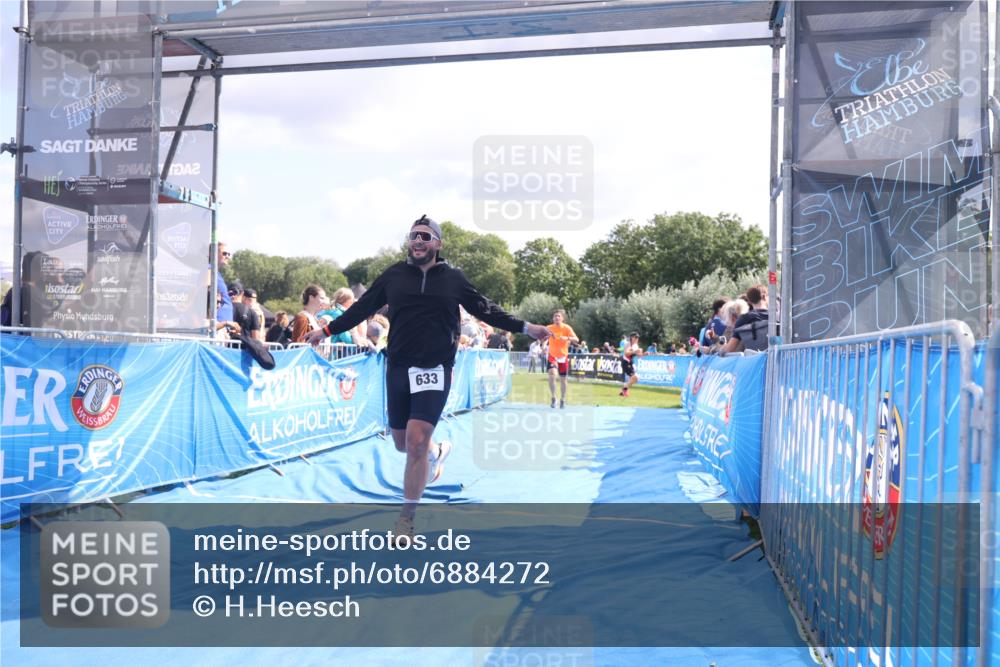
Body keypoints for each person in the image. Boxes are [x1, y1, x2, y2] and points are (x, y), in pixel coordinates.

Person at [303, 215, 551, 542]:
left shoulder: (453, 279)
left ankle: (406, 519)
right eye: (413, 236)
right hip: (398, 367)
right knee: (402, 442)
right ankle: (437, 451)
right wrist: (326, 331)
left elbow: (486, 309)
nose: (418, 241)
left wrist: (526, 327)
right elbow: (361, 309)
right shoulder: (394, 275)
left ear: (438, 243)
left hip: (435, 368)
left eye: (425, 236)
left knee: (417, 441)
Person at [545, 309, 579, 409]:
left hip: (563, 356)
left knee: (563, 379)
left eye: (558, 316)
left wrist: (567, 338)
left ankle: (563, 399)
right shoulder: (549, 328)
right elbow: (544, 337)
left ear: (562, 318)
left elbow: (576, 339)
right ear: (553, 318)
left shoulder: (567, 328)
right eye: (555, 316)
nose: (557, 318)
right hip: (552, 355)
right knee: (552, 374)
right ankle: (553, 397)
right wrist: (543, 345)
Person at [724, 285, 769, 353]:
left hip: (754, 358)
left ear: (749, 301)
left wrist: (718, 350)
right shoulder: (777, 317)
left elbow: (730, 348)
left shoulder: (743, 319)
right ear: (764, 296)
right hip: (777, 358)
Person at [215, 243, 233, 324]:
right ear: (214, 253)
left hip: (222, 326)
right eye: (225, 253)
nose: (227, 256)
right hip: (216, 325)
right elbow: (199, 291)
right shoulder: (209, 270)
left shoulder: (216, 274)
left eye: (229, 254)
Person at [619, 332, 643, 397]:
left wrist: (644, 354)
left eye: (638, 337)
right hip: (625, 362)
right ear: (632, 338)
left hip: (630, 363)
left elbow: (639, 356)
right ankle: (624, 390)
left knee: (635, 379)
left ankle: (623, 390)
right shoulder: (628, 344)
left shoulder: (636, 345)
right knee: (635, 377)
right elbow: (626, 353)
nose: (637, 339)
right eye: (636, 337)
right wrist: (635, 351)